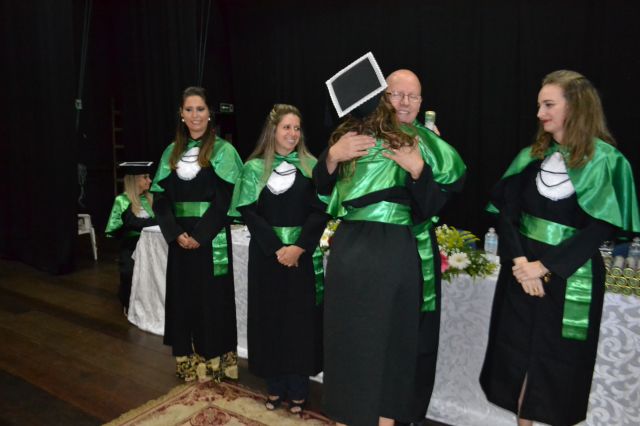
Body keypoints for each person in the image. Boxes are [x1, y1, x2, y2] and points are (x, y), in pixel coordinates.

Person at [479, 70, 640, 426]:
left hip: (570, 276)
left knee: (557, 366)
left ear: (576, 107)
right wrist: (522, 263)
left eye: (549, 105)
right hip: (521, 273)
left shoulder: (607, 161)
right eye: (539, 105)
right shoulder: (531, 157)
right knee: (516, 356)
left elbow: (601, 227)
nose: (540, 113)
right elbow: (507, 214)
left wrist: (544, 266)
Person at [316, 54, 466, 426]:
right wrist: (331, 157)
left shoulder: (425, 142)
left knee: (393, 344)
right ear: (383, 96)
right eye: (397, 94)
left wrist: (418, 170)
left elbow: (434, 205)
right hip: (350, 250)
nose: (404, 102)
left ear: (421, 102)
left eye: (412, 96)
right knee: (347, 340)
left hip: (396, 252)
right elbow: (318, 192)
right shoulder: (351, 133)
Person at [229, 104, 326, 414]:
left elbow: (320, 211)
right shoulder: (254, 168)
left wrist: (297, 248)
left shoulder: (312, 167)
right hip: (266, 257)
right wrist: (275, 248)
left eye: (297, 128)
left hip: (300, 257)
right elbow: (249, 211)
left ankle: (298, 390)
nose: (293, 133)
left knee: (298, 324)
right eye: (286, 127)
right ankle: (275, 387)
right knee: (269, 320)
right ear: (273, 131)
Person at [151, 86, 243, 383]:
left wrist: (200, 234)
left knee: (212, 300)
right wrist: (176, 232)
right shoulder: (170, 152)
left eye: (200, 109)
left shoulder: (224, 151)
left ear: (209, 113)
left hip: (211, 237)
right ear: (181, 114)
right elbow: (160, 199)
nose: (195, 115)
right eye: (189, 110)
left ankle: (215, 360)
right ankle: (188, 361)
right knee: (183, 299)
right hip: (180, 239)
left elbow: (226, 198)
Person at [105, 161, 157, 313]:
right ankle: (128, 303)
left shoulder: (151, 198)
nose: (150, 180)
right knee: (129, 273)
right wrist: (158, 221)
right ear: (134, 180)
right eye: (145, 177)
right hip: (131, 245)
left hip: (152, 244)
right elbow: (132, 223)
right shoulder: (122, 201)